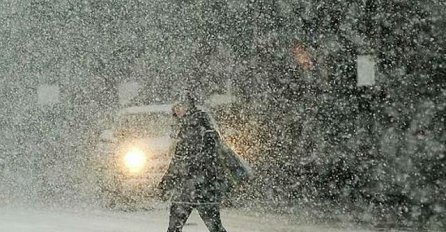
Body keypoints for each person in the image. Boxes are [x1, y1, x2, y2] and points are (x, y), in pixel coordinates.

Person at [159, 94, 228, 232]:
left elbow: (180, 159)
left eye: (179, 106)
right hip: (206, 185)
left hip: (190, 185)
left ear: (187, 106)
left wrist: (167, 181)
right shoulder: (204, 124)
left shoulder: (190, 127)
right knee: (215, 226)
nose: (176, 110)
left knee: (175, 226)